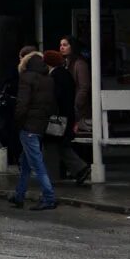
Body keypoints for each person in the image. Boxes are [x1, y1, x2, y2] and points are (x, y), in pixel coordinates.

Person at [9, 49, 58, 210]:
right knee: (26, 162)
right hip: (41, 124)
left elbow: (22, 104)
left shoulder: (26, 78)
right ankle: (19, 194)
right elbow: (51, 103)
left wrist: (18, 122)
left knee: (36, 163)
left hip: (28, 125)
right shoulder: (48, 79)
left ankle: (49, 197)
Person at [45, 50, 91, 185]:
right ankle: (80, 169)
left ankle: (52, 177)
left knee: (51, 144)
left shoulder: (55, 76)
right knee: (60, 144)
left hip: (58, 118)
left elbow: (55, 99)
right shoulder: (64, 74)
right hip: (65, 116)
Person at [60, 36, 92, 135]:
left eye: (65, 45)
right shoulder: (65, 63)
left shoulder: (80, 64)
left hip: (78, 111)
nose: (61, 47)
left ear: (72, 47)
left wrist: (76, 105)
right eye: (60, 45)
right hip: (67, 108)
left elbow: (84, 87)